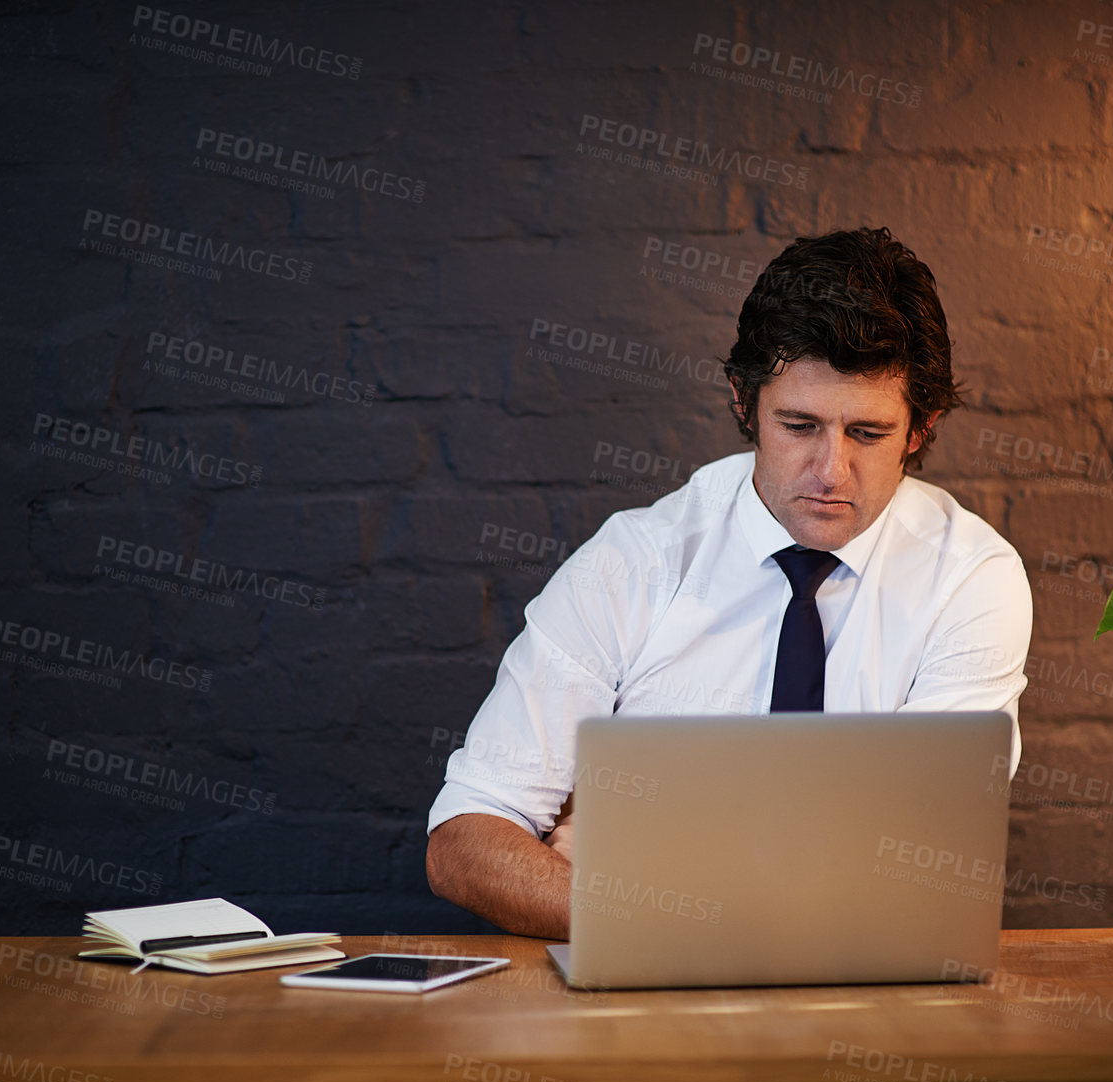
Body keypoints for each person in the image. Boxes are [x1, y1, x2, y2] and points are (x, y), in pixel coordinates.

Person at [425, 226, 1033, 940]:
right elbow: (464, 839)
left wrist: (634, 873)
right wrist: (672, 920)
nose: (830, 470)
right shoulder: (633, 561)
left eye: (866, 433)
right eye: (798, 424)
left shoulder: (969, 579)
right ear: (744, 405)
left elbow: (922, 869)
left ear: (919, 429)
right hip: (647, 1017)